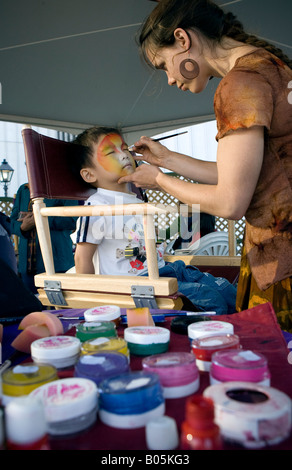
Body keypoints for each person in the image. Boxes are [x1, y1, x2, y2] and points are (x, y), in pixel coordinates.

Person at [117, 0, 292, 332]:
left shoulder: (239, 84)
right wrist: (166, 160)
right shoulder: (265, 66)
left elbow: (230, 201)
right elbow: (244, 176)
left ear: (183, 40)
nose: (169, 79)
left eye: (164, 65)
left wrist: (159, 180)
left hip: (283, 259)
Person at [72, 126, 236, 315]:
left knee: (225, 289)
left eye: (125, 148)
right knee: (211, 299)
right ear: (89, 175)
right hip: (137, 284)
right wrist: (91, 302)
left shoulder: (137, 199)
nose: (124, 155)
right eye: (111, 152)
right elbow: (82, 257)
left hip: (165, 270)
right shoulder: (97, 206)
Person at [10, 183, 78, 294]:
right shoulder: (23, 189)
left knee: (59, 309)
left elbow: (72, 220)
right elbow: (12, 222)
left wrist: (41, 219)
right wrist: (22, 227)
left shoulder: (65, 188)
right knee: (33, 308)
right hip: (27, 267)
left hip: (58, 265)